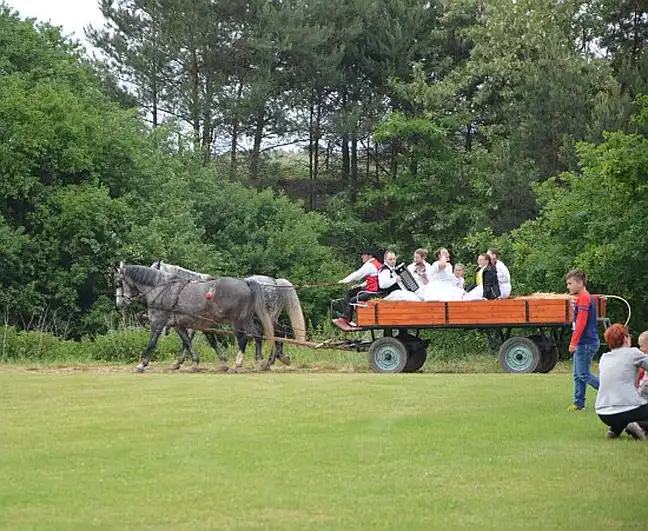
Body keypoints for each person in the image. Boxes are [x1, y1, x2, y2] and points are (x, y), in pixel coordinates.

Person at [595, 324, 648, 440]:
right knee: (628, 405)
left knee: (622, 404)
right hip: (628, 409)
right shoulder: (633, 353)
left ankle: (615, 429)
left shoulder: (604, 357)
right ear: (625, 338)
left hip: (603, 413)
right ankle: (639, 426)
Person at [566, 269, 600, 412]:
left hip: (585, 342)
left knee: (583, 374)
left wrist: (574, 342)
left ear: (580, 283)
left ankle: (611, 392)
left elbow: (581, 321)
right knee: (577, 375)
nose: (568, 287)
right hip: (584, 342)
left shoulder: (585, 298)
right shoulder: (581, 298)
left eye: (570, 283)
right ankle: (579, 403)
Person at [335, 247, 382, 329]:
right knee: (352, 291)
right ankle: (347, 318)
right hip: (376, 291)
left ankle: (347, 318)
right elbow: (374, 279)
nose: (361, 257)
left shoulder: (369, 265)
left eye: (363, 255)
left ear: (369, 256)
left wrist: (344, 281)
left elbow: (357, 275)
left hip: (372, 292)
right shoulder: (377, 263)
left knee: (352, 299)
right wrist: (361, 285)